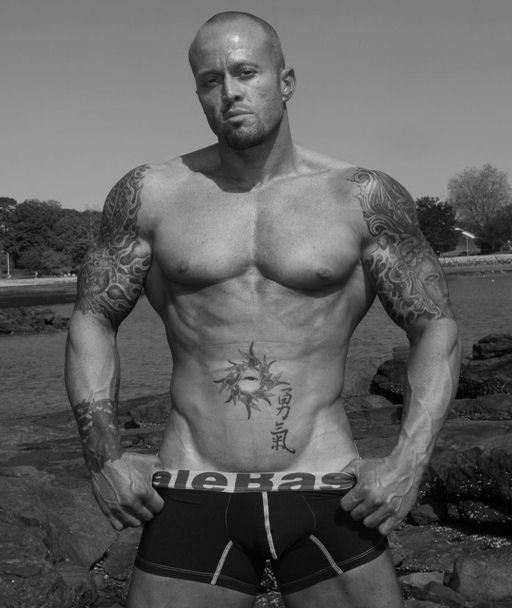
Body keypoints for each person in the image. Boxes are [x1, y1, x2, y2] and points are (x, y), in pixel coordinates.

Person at [65, 11, 461, 608]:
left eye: (246, 72)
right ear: (198, 92)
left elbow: (435, 326)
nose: (229, 91)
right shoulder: (151, 194)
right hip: (193, 485)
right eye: (210, 79)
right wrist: (104, 458)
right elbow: (92, 318)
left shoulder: (360, 196)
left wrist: (408, 460)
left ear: (287, 81)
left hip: (326, 485)